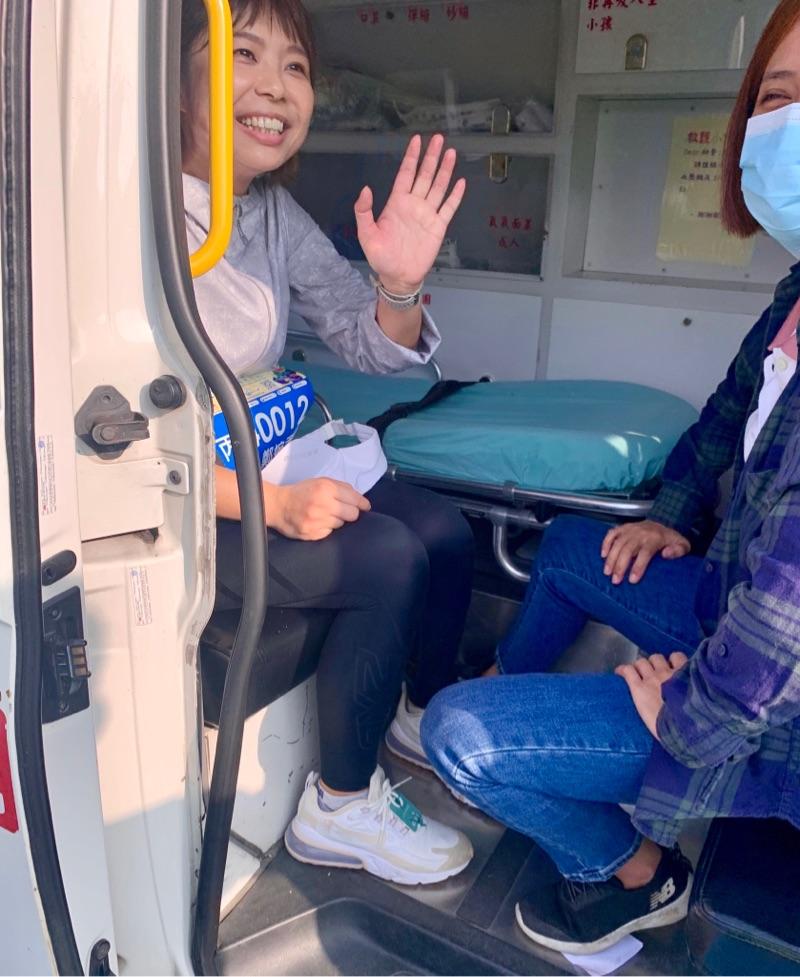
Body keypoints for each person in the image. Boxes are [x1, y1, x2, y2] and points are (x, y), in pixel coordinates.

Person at [421, 0, 800, 952]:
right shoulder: (796, 292)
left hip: (772, 719)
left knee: (458, 735)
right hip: (735, 625)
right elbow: (724, 417)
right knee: (569, 546)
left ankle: (631, 872)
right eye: (780, 96)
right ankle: (512, 681)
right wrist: (675, 512)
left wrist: (684, 710)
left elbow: (787, 622)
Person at [181, 0, 474, 884]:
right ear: (174, 80)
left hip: (268, 454)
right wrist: (274, 504)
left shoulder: (268, 212)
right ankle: (339, 807)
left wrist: (400, 285)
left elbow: (367, 340)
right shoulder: (131, 221)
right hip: (193, 504)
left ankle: (416, 716)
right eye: (244, 54)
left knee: (444, 531)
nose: (276, 86)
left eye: (297, 66)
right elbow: (126, 442)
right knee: (386, 556)